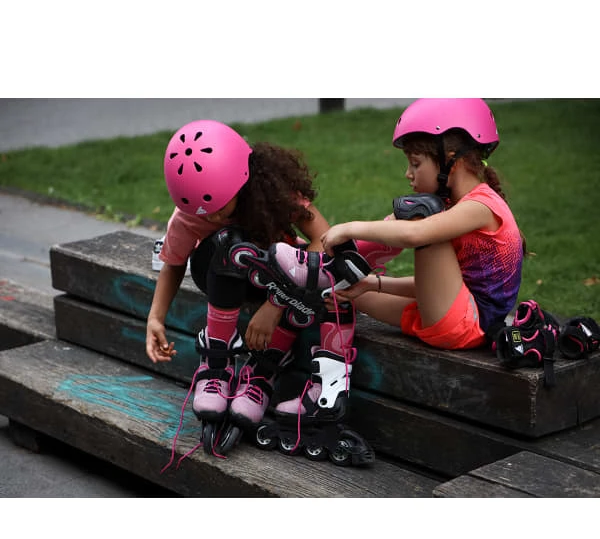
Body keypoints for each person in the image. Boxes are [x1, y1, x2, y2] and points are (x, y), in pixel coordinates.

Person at [145, 119, 362, 457]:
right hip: (223, 278)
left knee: (314, 272)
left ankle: (262, 372)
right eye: (205, 213)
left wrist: (275, 303)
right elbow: (174, 263)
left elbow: (325, 239)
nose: (211, 217)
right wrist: (156, 318)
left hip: (278, 280)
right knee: (227, 242)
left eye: (219, 209)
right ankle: (216, 363)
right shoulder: (191, 213)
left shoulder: (274, 193)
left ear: (240, 182)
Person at [268, 98, 525, 359]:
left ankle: (321, 265)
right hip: (452, 316)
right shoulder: (458, 205)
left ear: (451, 161)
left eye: (416, 163)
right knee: (341, 291)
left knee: (421, 211)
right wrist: (371, 283)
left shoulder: (481, 205)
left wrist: (349, 228)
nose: (408, 173)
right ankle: (307, 268)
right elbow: (435, 285)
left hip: (464, 323)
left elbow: (415, 234)